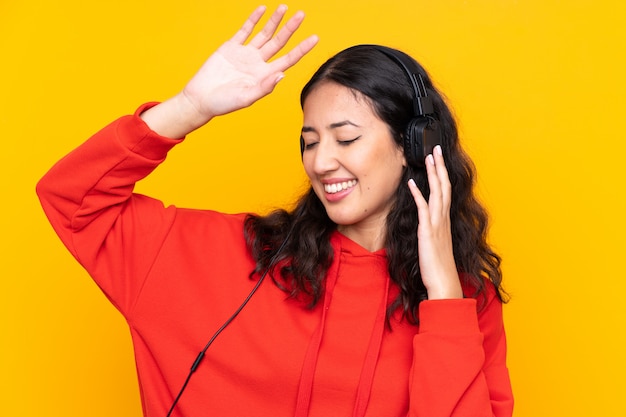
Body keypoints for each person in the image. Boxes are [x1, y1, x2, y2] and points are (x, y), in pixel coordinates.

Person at [37, 5, 513, 417]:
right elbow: (72, 199)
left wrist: (445, 299)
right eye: (309, 143)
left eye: (346, 138)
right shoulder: (231, 256)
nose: (321, 162)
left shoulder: (466, 302)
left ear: (413, 145)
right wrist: (187, 107)